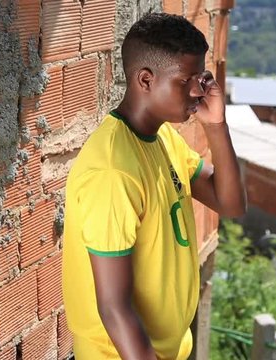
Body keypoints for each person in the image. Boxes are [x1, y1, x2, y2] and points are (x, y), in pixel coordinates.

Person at [61, 12, 246, 360]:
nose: (198, 90)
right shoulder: (113, 171)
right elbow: (114, 307)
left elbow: (231, 204)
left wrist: (217, 125)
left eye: (201, 77)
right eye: (186, 80)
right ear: (145, 80)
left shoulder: (162, 139)